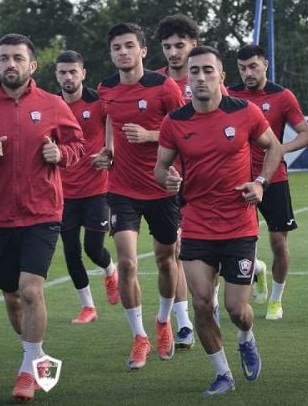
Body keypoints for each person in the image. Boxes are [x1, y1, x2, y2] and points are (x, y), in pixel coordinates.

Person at [0, 34, 84, 401]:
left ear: (32, 65)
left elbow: (78, 145)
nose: (11, 64)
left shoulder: (53, 104)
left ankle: (26, 373)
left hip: (43, 213)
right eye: (4, 58)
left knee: (31, 289)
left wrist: (62, 154)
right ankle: (37, 358)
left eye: (18, 58)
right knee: (12, 297)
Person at [155, 45, 283, 396]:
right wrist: (167, 179)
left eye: (208, 70)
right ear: (187, 79)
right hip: (197, 223)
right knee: (201, 303)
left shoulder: (244, 112)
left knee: (236, 309)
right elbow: (160, 168)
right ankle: (223, 373)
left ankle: (246, 337)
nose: (200, 77)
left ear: (221, 76)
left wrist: (261, 183)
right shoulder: (174, 122)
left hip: (239, 225)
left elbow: (273, 147)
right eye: (194, 71)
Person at [94, 22, 185, 368]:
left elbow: (183, 128)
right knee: (128, 262)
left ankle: (163, 321)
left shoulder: (164, 87)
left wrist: (149, 135)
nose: (123, 52)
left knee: (166, 260)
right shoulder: (106, 88)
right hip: (121, 188)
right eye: (117, 48)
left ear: (143, 51)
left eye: (129, 46)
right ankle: (139, 336)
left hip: (161, 187)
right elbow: (109, 119)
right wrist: (108, 149)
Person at [228, 44, 308, 320]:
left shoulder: (282, 96)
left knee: (278, 243)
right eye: (242, 68)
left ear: (265, 65)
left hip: (274, 179)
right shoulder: (229, 95)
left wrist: (279, 150)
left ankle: (275, 300)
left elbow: (306, 134)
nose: (247, 73)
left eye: (253, 66)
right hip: (238, 180)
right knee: (237, 242)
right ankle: (257, 270)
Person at [54, 50, 120, 324]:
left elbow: (115, 124)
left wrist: (110, 152)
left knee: (93, 248)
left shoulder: (98, 102)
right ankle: (88, 307)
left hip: (96, 189)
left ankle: (110, 270)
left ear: (83, 73)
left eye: (73, 72)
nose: (68, 77)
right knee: (71, 251)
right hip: (63, 192)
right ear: (56, 75)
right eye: (62, 72)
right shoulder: (51, 106)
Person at [153, 14, 200, 345]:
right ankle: (184, 323)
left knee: (204, 256)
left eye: (179, 45)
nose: (173, 52)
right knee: (174, 252)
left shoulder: (208, 80)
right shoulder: (153, 83)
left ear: (193, 45)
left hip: (204, 181)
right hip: (167, 181)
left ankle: (252, 268)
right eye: (167, 46)